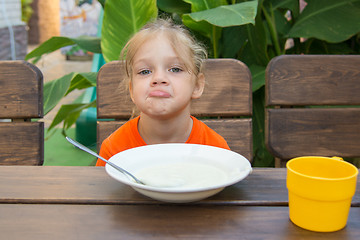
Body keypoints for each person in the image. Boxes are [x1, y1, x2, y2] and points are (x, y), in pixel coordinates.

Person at [96, 18, 229, 166]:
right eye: (145, 71)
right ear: (132, 90)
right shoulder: (114, 151)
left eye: (175, 69)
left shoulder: (215, 149)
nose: (158, 78)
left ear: (197, 85)